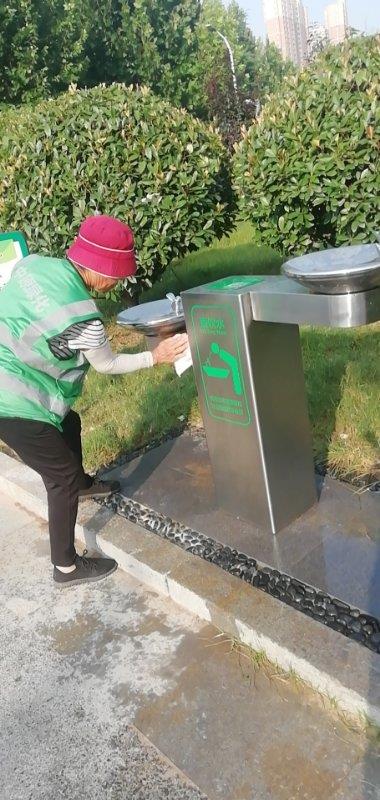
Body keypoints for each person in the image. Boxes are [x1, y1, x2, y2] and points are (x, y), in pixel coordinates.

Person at [0, 215, 188, 588]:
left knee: (69, 422)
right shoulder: (84, 319)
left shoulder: (33, 266)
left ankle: (83, 486)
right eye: (117, 276)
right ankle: (66, 567)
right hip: (12, 404)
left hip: (12, 379)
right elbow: (108, 365)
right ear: (103, 272)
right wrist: (157, 356)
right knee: (60, 478)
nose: (117, 284)